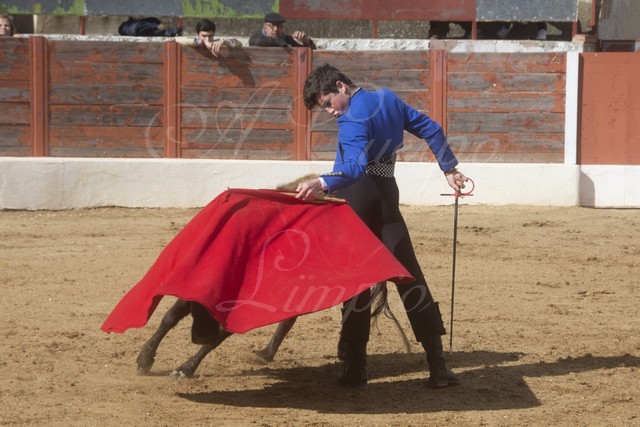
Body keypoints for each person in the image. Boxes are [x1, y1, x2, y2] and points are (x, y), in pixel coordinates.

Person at [295, 64, 469, 389]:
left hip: (357, 199)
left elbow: (354, 168)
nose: (330, 111)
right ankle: (438, 365)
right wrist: (449, 168)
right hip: (388, 197)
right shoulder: (387, 99)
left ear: (341, 86)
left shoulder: (351, 119)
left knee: (356, 282)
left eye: (328, 103)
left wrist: (321, 182)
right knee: (410, 276)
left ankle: (355, 368)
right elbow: (431, 128)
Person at [174, 18, 242, 57]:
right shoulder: (195, 42)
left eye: (210, 36)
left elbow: (239, 43)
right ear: (197, 35)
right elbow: (176, 40)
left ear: (214, 34)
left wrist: (224, 41)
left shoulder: (217, 43)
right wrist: (202, 42)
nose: (207, 39)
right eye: (204, 36)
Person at [249, 12, 316, 49]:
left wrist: (306, 41)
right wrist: (278, 42)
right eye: (272, 26)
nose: (276, 29)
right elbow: (257, 42)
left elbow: (309, 53)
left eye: (279, 26)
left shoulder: (287, 39)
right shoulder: (256, 36)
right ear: (265, 26)